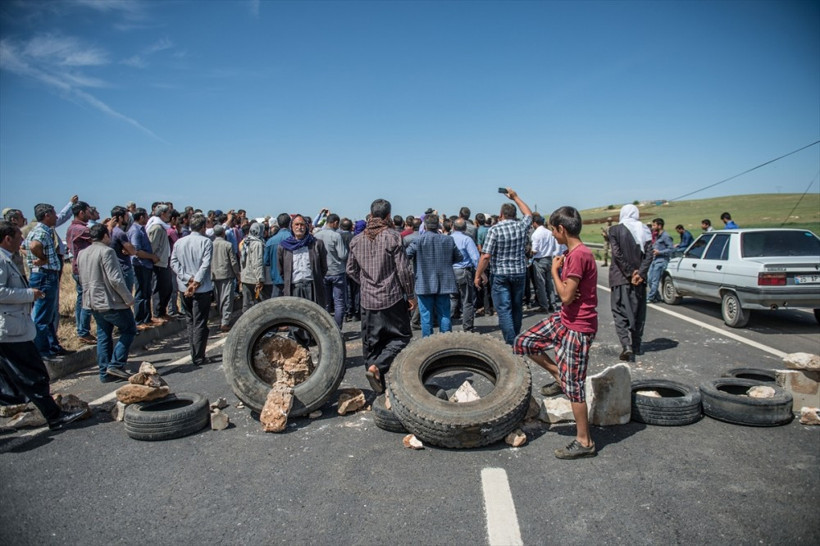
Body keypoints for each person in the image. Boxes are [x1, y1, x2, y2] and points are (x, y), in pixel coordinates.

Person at [513, 206, 598, 460]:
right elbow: (569, 296)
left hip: (578, 327)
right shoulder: (571, 253)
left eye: (552, 228)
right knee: (524, 342)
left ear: (562, 229)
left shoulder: (579, 255)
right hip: (565, 319)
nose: (551, 233)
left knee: (575, 388)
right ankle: (558, 374)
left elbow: (565, 295)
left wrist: (553, 271)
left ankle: (585, 441)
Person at [0, 221, 88, 429]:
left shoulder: (7, 258)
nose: (23, 240)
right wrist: (29, 294)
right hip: (11, 329)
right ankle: (54, 415)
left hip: (11, 327)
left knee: (9, 376)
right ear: (7, 238)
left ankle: (17, 406)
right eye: (19, 237)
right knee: (33, 373)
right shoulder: (1, 261)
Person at [347, 199, 416, 393]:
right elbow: (403, 270)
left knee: (372, 342)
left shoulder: (356, 240)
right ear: (387, 216)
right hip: (391, 297)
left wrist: (366, 283)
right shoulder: (393, 237)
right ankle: (379, 368)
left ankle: (377, 376)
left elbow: (350, 270)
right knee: (401, 337)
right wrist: (410, 294)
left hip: (368, 300)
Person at [77, 224, 137, 382]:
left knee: (104, 335)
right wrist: (128, 298)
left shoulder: (82, 253)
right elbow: (115, 279)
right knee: (129, 329)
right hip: (110, 301)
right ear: (104, 236)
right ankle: (116, 364)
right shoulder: (107, 251)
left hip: (92, 301)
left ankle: (104, 373)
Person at [474, 188, 533, 345]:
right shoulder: (521, 226)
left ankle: (510, 341)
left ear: (501, 215)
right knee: (516, 307)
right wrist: (516, 197)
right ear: (514, 214)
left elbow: (486, 255)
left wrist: (478, 274)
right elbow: (528, 214)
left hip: (500, 273)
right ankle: (516, 337)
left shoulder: (495, 229)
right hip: (519, 271)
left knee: (504, 309)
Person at [608, 205, 653, 361]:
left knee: (619, 311)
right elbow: (649, 255)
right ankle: (637, 345)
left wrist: (629, 272)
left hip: (620, 277)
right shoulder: (645, 229)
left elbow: (617, 254)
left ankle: (626, 345)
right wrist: (640, 273)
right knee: (638, 312)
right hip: (639, 280)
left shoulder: (614, 230)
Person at [406, 214, 462, 336]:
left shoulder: (418, 240)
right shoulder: (448, 239)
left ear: (424, 226)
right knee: (444, 314)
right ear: (438, 225)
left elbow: (406, 256)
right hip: (444, 281)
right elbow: (459, 257)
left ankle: (428, 344)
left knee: (426, 316)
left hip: (424, 282)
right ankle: (446, 341)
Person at [22, 203, 65, 359]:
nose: (56, 216)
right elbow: (33, 245)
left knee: (49, 314)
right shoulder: (41, 232)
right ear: (47, 215)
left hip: (44, 275)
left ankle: (52, 346)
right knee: (42, 316)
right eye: (54, 213)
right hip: (44, 276)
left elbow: (23, 246)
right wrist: (42, 258)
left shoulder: (41, 231)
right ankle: (42, 351)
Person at [170, 214, 213, 367]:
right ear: (202, 227)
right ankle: (198, 355)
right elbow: (205, 265)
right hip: (201, 288)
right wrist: (195, 281)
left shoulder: (180, 242)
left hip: (184, 287)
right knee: (200, 322)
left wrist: (187, 278)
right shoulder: (206, 242)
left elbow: (173, 263)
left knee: (190, 321)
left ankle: (194, 352)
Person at [277, 214, 328, 308]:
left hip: (312, 287)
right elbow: (281, 270)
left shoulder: (316, 244)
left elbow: (323, 267)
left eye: (302, 225)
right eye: (296, 224)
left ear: (306, 227)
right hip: (294, 288)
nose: (299, 227)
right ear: (291, 227)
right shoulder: (284, 246)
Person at [65, 200, 95, 345]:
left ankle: (81, 329)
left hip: (78, 268)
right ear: (81, 212)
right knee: (86, 301)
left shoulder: (72, 228)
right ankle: (83, 331)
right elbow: (99, 235)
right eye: (89, 211)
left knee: (81, 299)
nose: (91, 214)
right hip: (83, 270)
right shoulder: (81, 229)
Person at [314, 213, 348, 329]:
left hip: (323, 273)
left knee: (325, 302)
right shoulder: (336, 236)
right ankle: (338, 329)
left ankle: (326, 328)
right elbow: (343, 255)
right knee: (339, 302)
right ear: (335, 223)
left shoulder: (317, 235)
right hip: (337, 271)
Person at [128, 208, 159, 329]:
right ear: (141, 217)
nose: (148, 218)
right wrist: (151, 257)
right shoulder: (135, 231)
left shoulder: (141, 229)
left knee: (146, 292)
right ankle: (139, 320)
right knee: (141, 293)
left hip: (146, 265)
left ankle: (147, 318)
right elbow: (137, 251)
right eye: (146, 216)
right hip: (141, 265)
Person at [450, 217, 480, 331]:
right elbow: (475, 258)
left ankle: (448, 324)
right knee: (467, 300)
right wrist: (480, 273)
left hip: (451, 271)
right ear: (465, 228)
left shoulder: (448, 238)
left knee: (452, 299)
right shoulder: (467, 239)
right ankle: (467, 327)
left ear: (453, 227)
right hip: (463, 271)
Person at [146, 204, 173, 322]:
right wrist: (155, 257)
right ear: (162, 214)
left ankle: (162, 311)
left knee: (167, 288)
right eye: (168, 213)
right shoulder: (156, 227)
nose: (169, 216)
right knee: (158, 288)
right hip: (158, 263)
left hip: (164, 262)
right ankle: (157, 313)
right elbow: (152, 244)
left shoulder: (162, 226)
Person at [530, 213, 562, 313]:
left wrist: (529, 252)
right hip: (549, 258)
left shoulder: (536, 234)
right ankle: (553, 304)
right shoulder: (549, 232)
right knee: (549, 283)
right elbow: (554, 247)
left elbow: (534, 250)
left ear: (534, 223)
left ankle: (544, 305)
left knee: (540, 284)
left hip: (539, 260)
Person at [211, 225, 240, 332]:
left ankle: (222, 318)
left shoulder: (211, 244)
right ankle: (225, 321)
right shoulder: (228, 245)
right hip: (226, 274)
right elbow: (233, 261)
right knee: (227, 298)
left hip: (214, 275)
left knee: (219, 298)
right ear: (223, 233)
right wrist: (237, 274)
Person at [240, 222, 271, 312]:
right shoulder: (257, 244)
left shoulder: (246, 241)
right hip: (254, 278)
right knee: (259, 304)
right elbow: (257, 262)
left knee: (247, 303)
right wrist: (260, 279)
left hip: (246, 277)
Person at [646, 218, 675, 303]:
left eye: (654, 225)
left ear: (659, 225)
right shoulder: (656, 236)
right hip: (654, 260)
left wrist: (660, 252)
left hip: (661, 261)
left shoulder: (666, 236)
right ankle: (657, 296)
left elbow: (671, 249)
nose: (653, 227)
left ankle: (650, 297)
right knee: (650, 280)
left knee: (655, 281)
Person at [108, 206, 137, 292]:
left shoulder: (109, 231)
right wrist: (129, 251)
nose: (128, 218)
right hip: (124, 269)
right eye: (126, 215)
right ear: (120, 218)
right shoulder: (120, 233)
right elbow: (133, 251)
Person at [264, 213, 291, 297]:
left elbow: (266, 261)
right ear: (290, 223)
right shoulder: (294, 239)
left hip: (276, 279)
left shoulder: (270, 241)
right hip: (291, 279)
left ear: (278, 224)